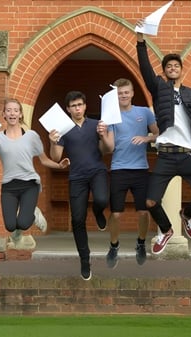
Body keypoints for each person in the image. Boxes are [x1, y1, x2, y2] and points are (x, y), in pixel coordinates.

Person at [136, 24, 191, 255]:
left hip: (187, 155)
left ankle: (187, 215)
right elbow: (145, 70)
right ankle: (166, 230)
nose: (172, 68)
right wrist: (140, 42)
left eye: (176, 65)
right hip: (165, 155)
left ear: (181, 70)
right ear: (165, 71)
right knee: (150, 203)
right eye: (168, 66)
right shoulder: (159, 89)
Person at [0, 98, 69, 246]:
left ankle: (33, 213)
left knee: (24, 223)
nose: (12, 113)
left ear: (20, 114)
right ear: (4, 115)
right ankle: (23, 224)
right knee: (10, 225)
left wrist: (59, 166)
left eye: (15, 110)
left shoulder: (32, 136)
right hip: (9, 186)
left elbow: (44, 160)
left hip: (29, 184)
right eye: (9, 110)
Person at [48, 91, 110, 280]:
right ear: (68, 109)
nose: (77, 108)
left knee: (101, 199)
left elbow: (106, 151)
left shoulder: (95, 124)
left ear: (85, 106)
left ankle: (98, 212)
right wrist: (52, 142)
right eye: (74, 106)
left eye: (80, 105)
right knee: (77, 220)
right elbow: (56, 158)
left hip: (97, 171)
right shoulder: (62, 128)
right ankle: (85, 259)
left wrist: (104, 135)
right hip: (76, 177)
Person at [101, 78, 159, 268]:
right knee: (116, 214)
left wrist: (146, 138)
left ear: (132, 93)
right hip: (118, 169)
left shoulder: (144, 112)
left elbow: (159, 134)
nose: (123, 96)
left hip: (141, 170)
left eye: (126, 92)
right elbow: (108, 148)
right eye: (119, 93)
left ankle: (141, 243)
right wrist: (103, 135)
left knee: (143, 211)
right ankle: (114, 246)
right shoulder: (111, 117)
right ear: (115, 96)